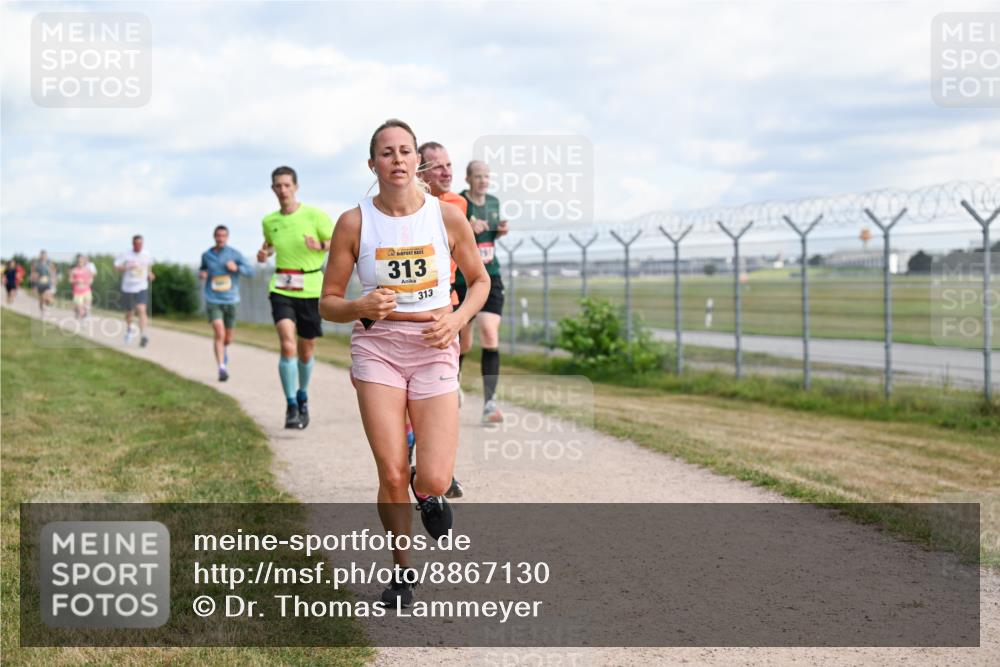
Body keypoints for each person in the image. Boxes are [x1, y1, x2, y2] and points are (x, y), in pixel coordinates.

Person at [320, 119, 488, 608]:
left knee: (432, 477)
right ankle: (402, 574)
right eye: (387, 153)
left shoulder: (447, 217)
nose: (397, 160)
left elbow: (479, 283)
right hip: (378, 348)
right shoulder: (354, 222)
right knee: (391, 471)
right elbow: (327, 302)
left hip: (434, 343)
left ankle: (428, 490)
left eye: (405, 151)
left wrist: (456, 320)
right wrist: (359, 306)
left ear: (420, 161)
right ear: (372, 164)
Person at [257, 166, 334, 429]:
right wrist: (263, 253)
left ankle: (302, 395)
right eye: (278, 185)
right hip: (281, 287)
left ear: (296, 187)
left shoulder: (315, 215)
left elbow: (336, 241)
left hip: (311, 287)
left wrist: (320, 246)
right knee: (287, 344)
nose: (282, 190)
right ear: (273, 189)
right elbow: (268, 245)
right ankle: (290, 404)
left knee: (306, 348)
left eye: (287, 185)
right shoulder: (269, 220)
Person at [416, 140, 469, 499]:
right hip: (413, 313)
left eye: (450, 165)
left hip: (448, 306)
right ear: (421, 174)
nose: (447, 172)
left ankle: (438, 471)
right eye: (438, 167)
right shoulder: (410, 209)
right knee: (421, 396)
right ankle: (428, 469)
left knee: (446, 395)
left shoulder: (458, 204)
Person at [458, 160, 510, 423]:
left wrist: (499, 231)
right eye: (478, 176)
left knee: (489, 332)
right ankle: (450, 388)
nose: (483, 181)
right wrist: (468, 225)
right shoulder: (458, 202)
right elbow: (451, 235)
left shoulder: (493, 202)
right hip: (463, 279)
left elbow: (488, 238)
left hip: (491, 275)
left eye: (486, 176)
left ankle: (489, 403)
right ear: (468, 179)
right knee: (463, 342)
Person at [199, 225, 254, 382]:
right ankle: (221, 368)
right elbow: (202, 269)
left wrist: (236, 268)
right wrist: (202, 274)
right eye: (218, 235)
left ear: (227, 237)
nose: (220, 238)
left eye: (223, 236)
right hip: (212, 299)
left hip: (230, 299)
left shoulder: (235, 254)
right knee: (219, 333)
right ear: (214, 237)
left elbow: (251, 272)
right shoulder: (207, 255)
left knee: (227, 338)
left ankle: (224, 350)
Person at [114, 235, 155, 347]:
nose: (138, 246)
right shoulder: (126, 254)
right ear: (133, 244)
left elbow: (148, 268)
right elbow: (116, 267)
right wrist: (127, 267)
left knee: (142, 309)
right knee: (129, 313)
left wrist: (150, 274)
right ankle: (129, 329)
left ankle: (143, 335)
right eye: (136, 244)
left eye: (140, 244)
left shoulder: (146, 255)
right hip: (128, 287)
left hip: (142, 286)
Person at [69, 254, 94, 319]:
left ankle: (85, 316)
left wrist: (90, 281)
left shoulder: (88, 270)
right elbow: (70, 280)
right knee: (79, 308)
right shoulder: (74, 270)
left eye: (82, 261)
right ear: (77, 262)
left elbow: (91, 278)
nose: (80, 263)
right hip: (77, 291)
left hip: (86, 290)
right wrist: (76, 281)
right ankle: (77, 311)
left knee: (87, 306)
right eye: (79, 261)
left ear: (84, 262)